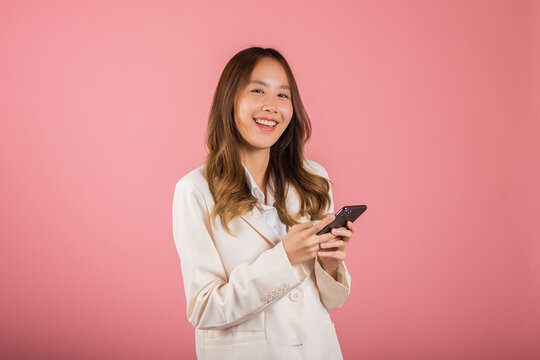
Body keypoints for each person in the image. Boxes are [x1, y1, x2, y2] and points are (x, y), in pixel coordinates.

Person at [172, 47, 356, 359]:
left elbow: (330, 301)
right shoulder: (195, 191)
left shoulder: (313, 180)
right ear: (230, 100)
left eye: (283, 96)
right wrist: (284, 258)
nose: (271, 106)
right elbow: (204, 309)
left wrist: (330, 264)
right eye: (258, 90)